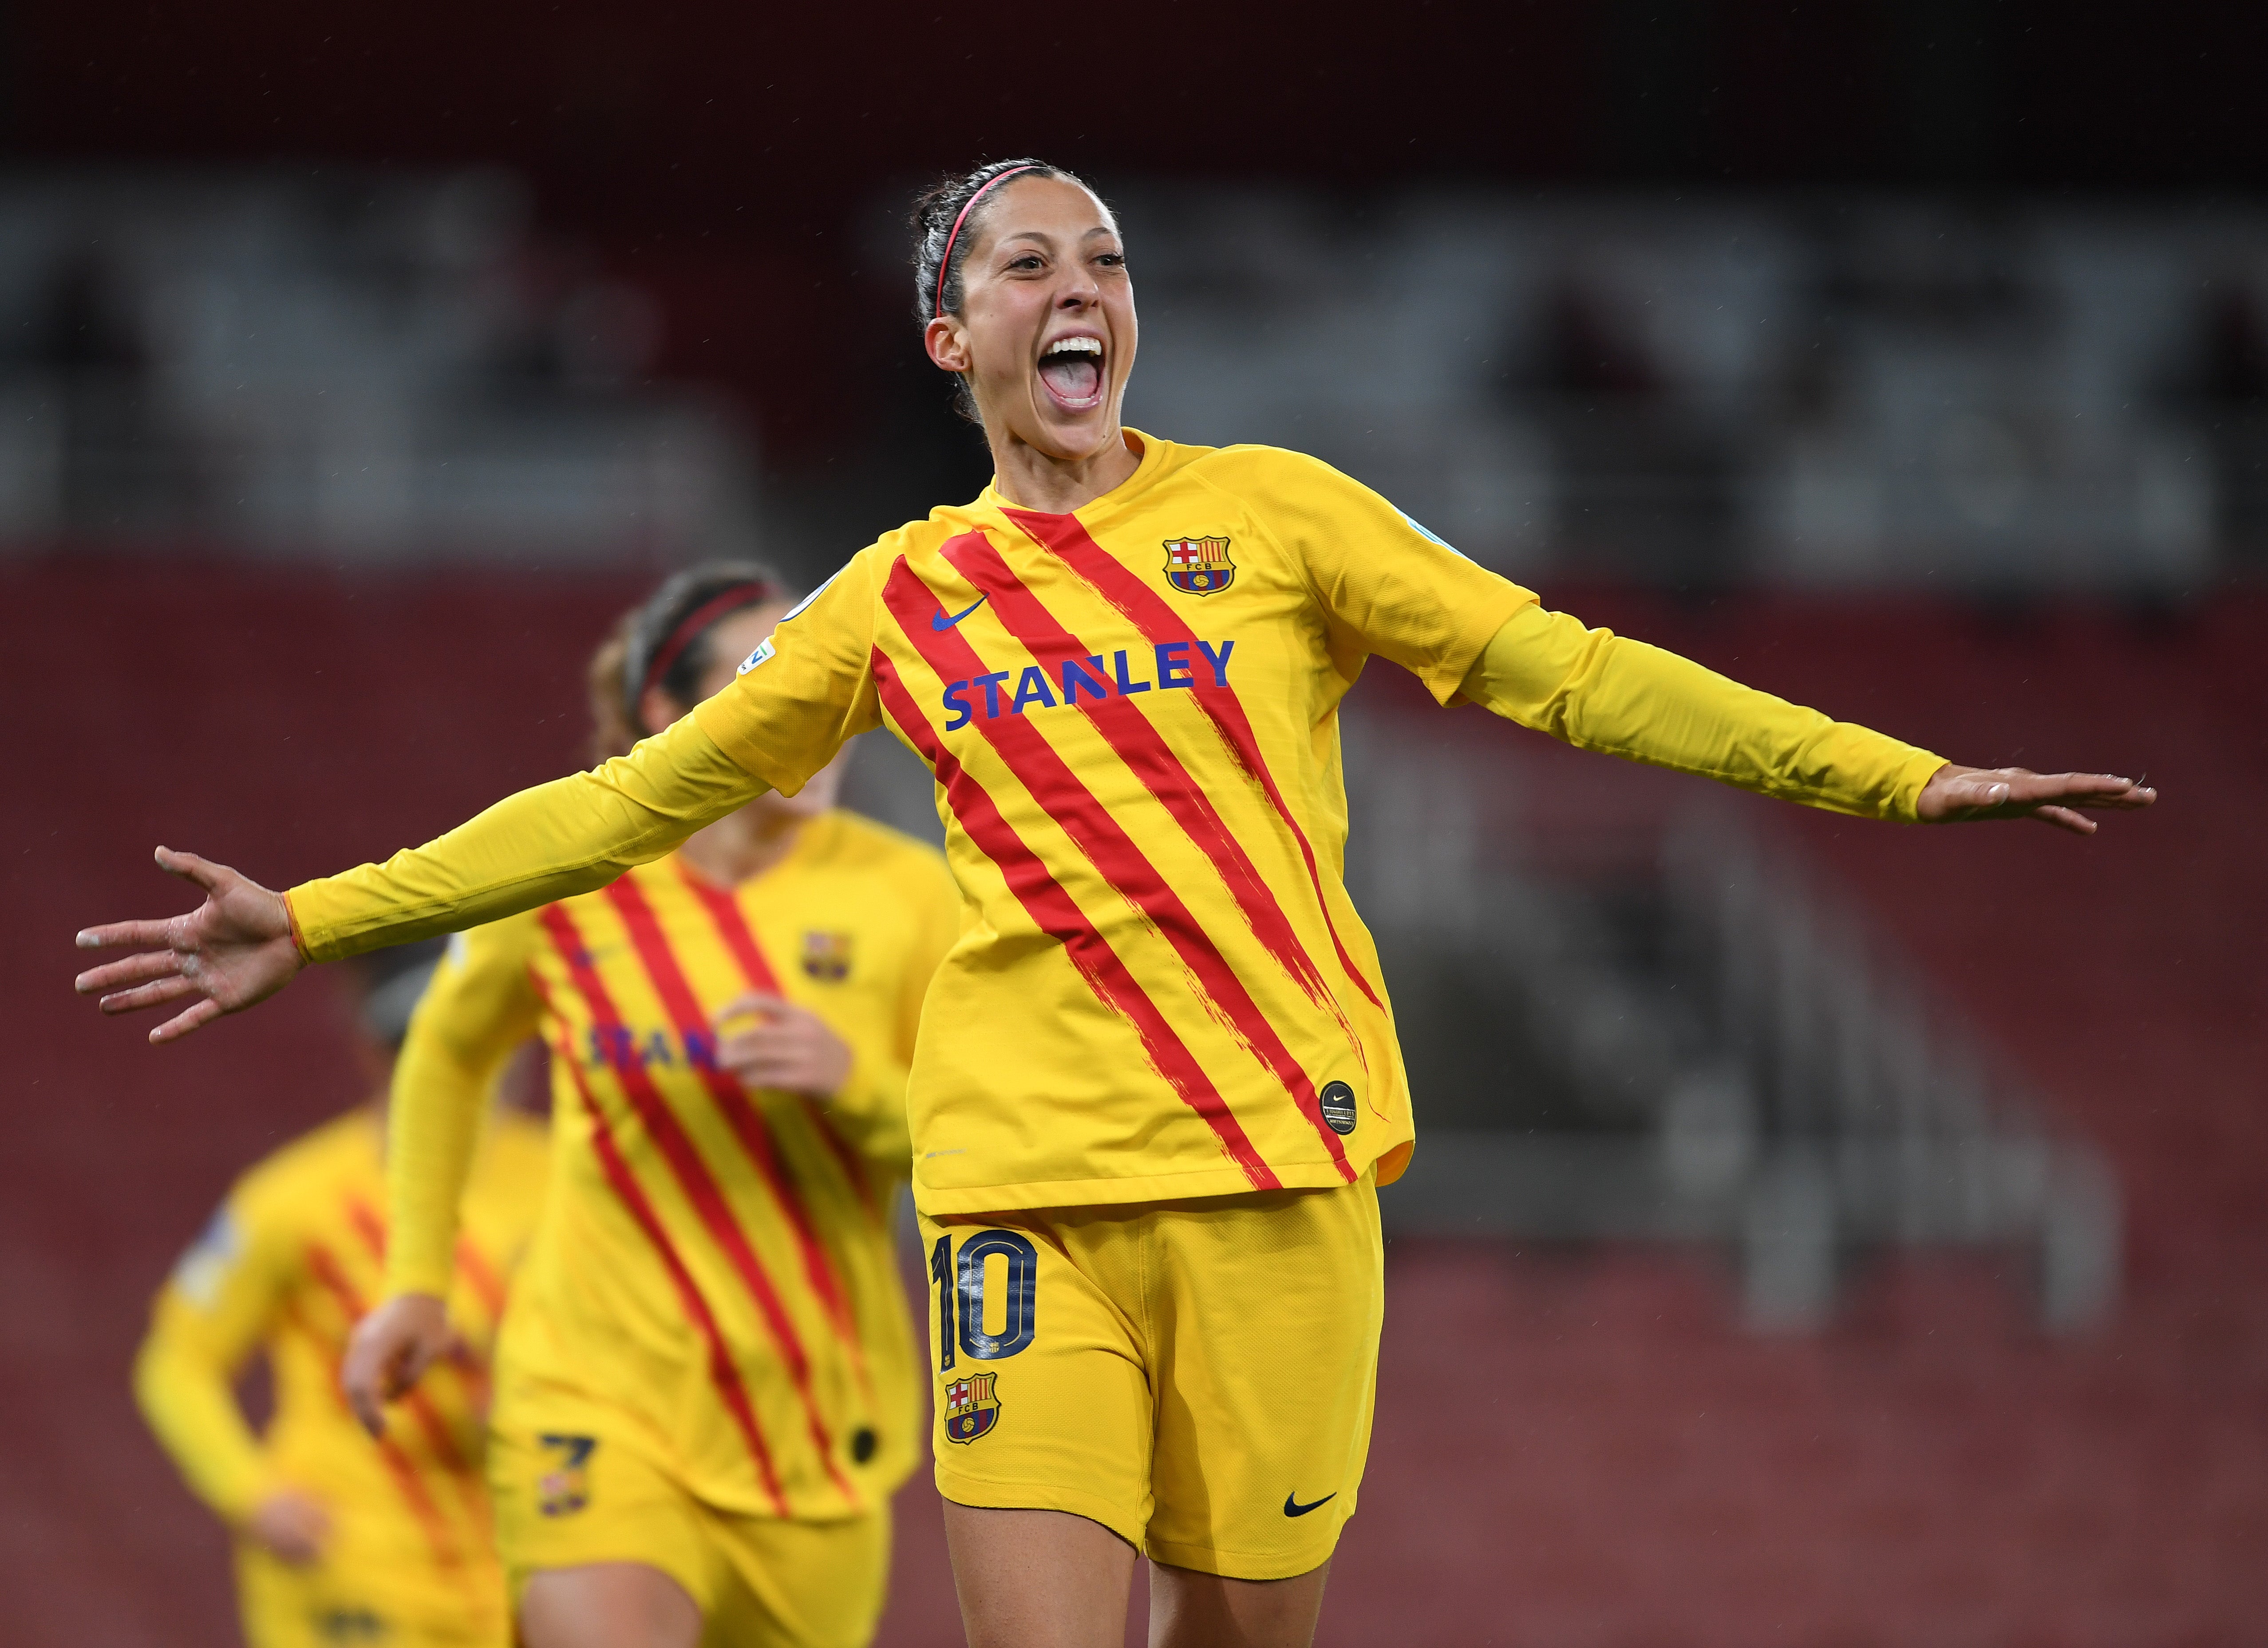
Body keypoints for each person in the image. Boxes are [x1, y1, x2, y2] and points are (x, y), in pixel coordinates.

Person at [79, 159, 2155, 1648]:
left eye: (1106, 256)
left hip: (1277, 1173)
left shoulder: (1275, 515)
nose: (1078, 284)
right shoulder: (894, 595)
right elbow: (625, 803)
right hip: (1021, 1195)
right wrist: (331, 914)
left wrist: (1893, 775)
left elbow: (1574, 669)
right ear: (950, 330)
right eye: (1023, 261)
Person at [342, 567, 960, 1648]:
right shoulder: (575, 882)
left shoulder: (918, 895)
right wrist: (417, 1283)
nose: (821, 717)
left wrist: (856, 1082)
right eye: (777, 685)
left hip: (813, 1420)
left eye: (839, 686)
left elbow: (991, 1132)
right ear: (669, 718)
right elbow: (445, 1049)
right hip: (594, 1395)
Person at [133, 943, 548, 1648]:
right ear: (371, 1050)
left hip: (527, 1556)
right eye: (409, 1045)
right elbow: (177, 1362)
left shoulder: (566, 1175)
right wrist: (251, 1493)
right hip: (355, 1560)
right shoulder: (292, 1199)